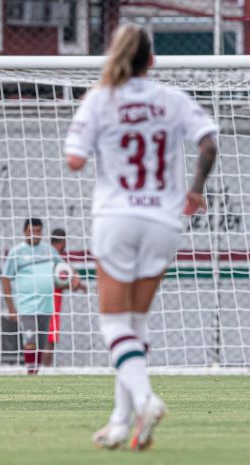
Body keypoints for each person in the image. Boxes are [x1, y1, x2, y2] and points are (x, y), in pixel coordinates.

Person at [64, 24, 218, 450]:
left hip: (117, 216)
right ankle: (119, 421)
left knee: (114, 323)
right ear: (152, 60)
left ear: (115, 57)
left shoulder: (100, 99)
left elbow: (75, 160)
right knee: (136, 323)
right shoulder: (172, 100)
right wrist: (195, 191)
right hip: (164, 220)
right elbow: (208, 143)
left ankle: (146, 399)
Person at [1, 218, 78, 375]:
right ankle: (31, 375)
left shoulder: (49, 250)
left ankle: (36, 373)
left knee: (42, 344)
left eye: (37, 231)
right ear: (24, 232)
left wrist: (74, 276)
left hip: (46, 305)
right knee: (30, 341)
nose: (34, 235)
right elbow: (5, 278)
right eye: (31, 231)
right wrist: (11, 308)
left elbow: (63, 268)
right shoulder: (16, 252)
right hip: (26, 305)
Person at [42, 228, 86, 367]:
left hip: (46, 303)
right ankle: (42, 371)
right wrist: (74, 283)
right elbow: (56, 282)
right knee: (48, 341)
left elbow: (64, 278)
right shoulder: (51, 257)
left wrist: (77, 283)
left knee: (45, 339)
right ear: (62, 241)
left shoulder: (53, 257)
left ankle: (39, 370)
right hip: (50, 304)